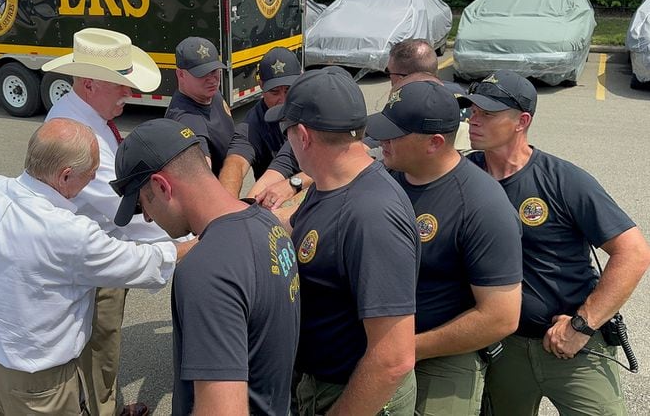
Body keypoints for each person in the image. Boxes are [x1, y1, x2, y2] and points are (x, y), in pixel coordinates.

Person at [0, 118, 193, 416]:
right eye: (90, 174)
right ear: (65, 176)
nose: (92, 181)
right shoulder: (66, 231)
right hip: (38, 383)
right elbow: (140, 263)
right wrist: (194, 244)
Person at [460, 70, 650, 415]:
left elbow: (634, 251)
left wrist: (582, 325)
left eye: (487, 113)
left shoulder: (562, 180)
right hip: (504, 350)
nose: (474, 120)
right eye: (472, 111)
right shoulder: (463, 177)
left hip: (571, 346)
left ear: (522, 121)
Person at [109, 118, 301, 416]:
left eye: (142, 203)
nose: (146, 217)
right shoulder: (267, 223)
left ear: (161, 186)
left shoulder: (205, 270)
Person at [264, 67, 420, 415]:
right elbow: (301, 226)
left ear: (303, 136)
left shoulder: (371, 215)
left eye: (287, 133)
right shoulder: (329, 184)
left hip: (355, 394)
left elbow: (393, 357)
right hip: (324, 382)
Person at [366, 80, 523, 415]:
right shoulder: (388, 178)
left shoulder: (482, 205)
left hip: (442, 355)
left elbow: (501, 317)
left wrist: (408, 348)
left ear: (434, 143)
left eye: (394, 134)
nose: (382, 141)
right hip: (379, 343)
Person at [42, 28, 169, 416]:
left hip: (94, 247)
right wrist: (189, 231)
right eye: (120, 85)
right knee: (102, 344)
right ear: (91, 83)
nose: (128, 94)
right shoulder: (80, 133)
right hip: (97, 256)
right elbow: (120, 210)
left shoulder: (80, 113)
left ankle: (98, 405)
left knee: (95, 343)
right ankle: (105, 411)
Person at [219, 46, 311, 198]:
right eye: (274, 92)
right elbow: (235, 163)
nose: (283, 100)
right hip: (271, 205)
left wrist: (294, 183)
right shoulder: (253, 124)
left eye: (289, 90)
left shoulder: (317, 109)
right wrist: (227, 207)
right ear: (261, 85)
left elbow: (340, 161)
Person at [385, 38, 472, 151]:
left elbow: (386, 138)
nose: (390, 77)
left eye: (389, 72)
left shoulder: (404, 104)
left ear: (401, 78)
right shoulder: (458, 91)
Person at [165, 36, 235, 176]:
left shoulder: (208, 93)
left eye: (215, 71)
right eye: (202, 74)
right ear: (181, 74)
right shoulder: (186, 118)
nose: (212, 79)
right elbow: (200, 170)